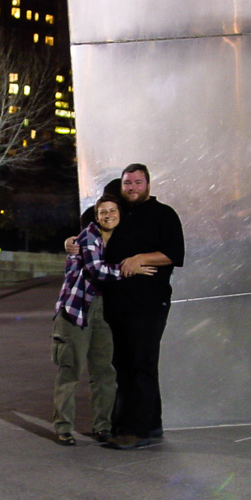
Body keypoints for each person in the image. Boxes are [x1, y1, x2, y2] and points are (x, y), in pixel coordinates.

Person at [68, 164, 184, 450]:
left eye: (138, 182)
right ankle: (150, 425)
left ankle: (136, 430)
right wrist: (71, 242)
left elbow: (174, 254)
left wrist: (139, 259)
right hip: (115, 303)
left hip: (148, 302)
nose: (132, 187)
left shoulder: (163, 214)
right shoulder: (115, 212)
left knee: (140, 363)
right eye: (127, 182)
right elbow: (86, 234)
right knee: (122, 364)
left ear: (148, 184)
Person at [51, 195, 156, 446]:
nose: (108, 215)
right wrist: (131, 268)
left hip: (104, 311)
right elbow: (96, 270)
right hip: (76, 309)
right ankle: (63, 427)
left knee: (104, 372)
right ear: (96, 216)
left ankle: (102, 426)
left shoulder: (121, 238)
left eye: (113, 210)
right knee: (71, 370)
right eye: (103, 212)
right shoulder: (87, 237)